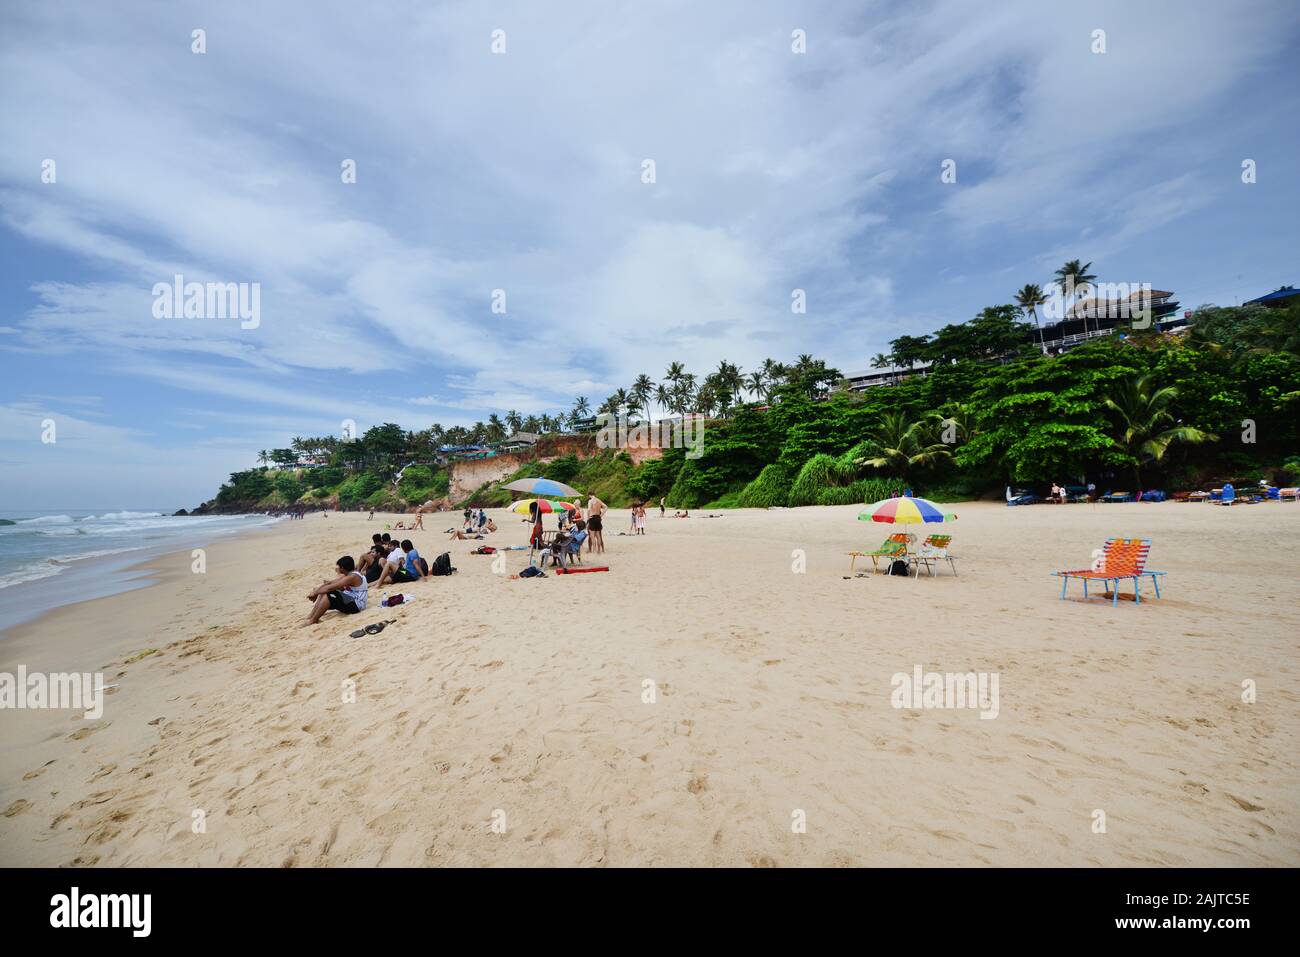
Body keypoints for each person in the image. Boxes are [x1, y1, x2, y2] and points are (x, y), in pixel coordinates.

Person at [304, 555, 368, 625]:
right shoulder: (348, 575)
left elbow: (330, 588)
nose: (337, 569)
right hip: (350, 600)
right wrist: (315, 592)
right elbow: (329, 583)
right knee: (324, 591)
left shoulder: (352, 577)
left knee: (328, 593)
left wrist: (315, 593)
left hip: (356, 606)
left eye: (338, 567)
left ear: (342, 568)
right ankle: (311, 615)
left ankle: (313, 620)